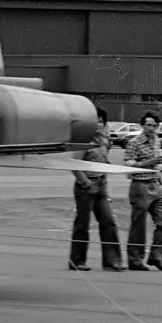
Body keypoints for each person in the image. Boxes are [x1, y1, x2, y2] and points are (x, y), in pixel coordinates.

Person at [68, 109, 124, 271]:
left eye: (101, 121)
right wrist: (84, 182)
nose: (98, 124)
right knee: (82, 224)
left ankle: (112, 260)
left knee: (108, 221)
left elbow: (105, 163)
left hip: (101, 185)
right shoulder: (84, 141)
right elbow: (74, 165)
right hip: (86, 186)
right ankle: (77, 260)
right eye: (95, 121)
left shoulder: (105, 141)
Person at [125, 112, 162, 271]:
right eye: (148, 125)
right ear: (142, 126)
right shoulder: (134, 143)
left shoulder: (157, 141)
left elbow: (158, 165)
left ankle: (157, 256)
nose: (151, 129)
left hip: (156, 184)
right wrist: (149, 163)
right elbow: (129, 166)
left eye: (154, 126)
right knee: (139, 225)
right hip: (140, 185)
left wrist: (161, 179)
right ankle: (135, 259)